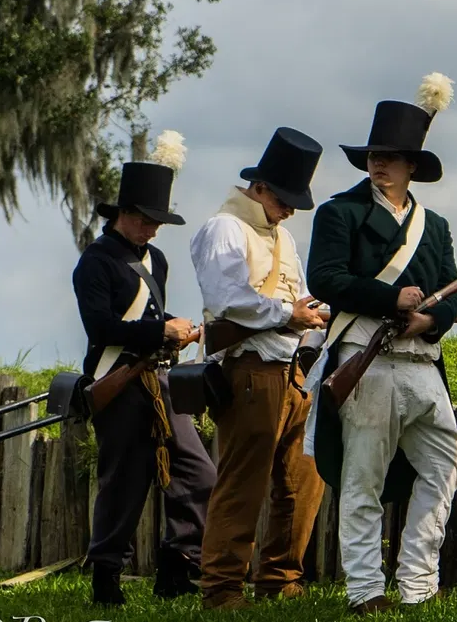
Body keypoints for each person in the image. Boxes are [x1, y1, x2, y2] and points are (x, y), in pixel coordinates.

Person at [303, 73, 457, 614]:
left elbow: (453, 294)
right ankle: (366, 591)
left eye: (392, 157)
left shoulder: (435, 225)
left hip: (422, 362)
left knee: (445, 465)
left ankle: (418, 581)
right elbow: (325, 279)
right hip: (365, 360)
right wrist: (392, 299)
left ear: (412, 166)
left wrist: (431, 320)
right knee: (363, 481)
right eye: (375, 154)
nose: (380, 163)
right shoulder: (339, 213)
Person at [75, 132, 216, 606]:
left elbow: (154, 321)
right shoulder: (95, 261)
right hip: (116, 379)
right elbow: (100, 325)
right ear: (123, 214)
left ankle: (177, 565)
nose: (152, 229)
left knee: (198, 473)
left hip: (157, 379)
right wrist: (161, 334)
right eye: (145, 219)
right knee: (125, 481)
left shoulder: (156, 259)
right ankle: (107, 577)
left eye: (157, 221)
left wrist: (174, 337)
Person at [192, 127, 328, 609]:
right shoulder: (224, 229)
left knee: (303, 478)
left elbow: (294, 295)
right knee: (243, 482)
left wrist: (311, 310)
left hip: (293, 367)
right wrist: (289, 314)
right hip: (249, 368)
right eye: (285, 198)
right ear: (262, 188)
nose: (290, 209)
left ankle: (281, 577)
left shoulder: (283, 237)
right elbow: (228, 301)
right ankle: (223, 586)